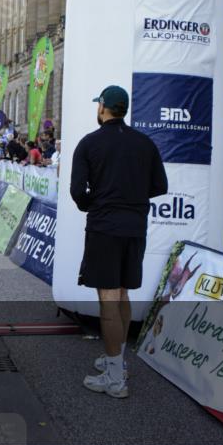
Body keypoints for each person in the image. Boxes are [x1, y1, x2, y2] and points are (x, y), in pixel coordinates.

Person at [71, 85, 167, 399]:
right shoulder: (144, 143)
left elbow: (76, 190)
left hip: (105, 227)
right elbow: (159, 186)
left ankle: (114, 377)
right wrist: (131, 199)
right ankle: (117, 359)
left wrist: (94, 204)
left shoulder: (89, 143)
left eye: (98, 104)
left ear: (103, 108)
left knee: (108, 300)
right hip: (135, 226)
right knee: (123, 293)